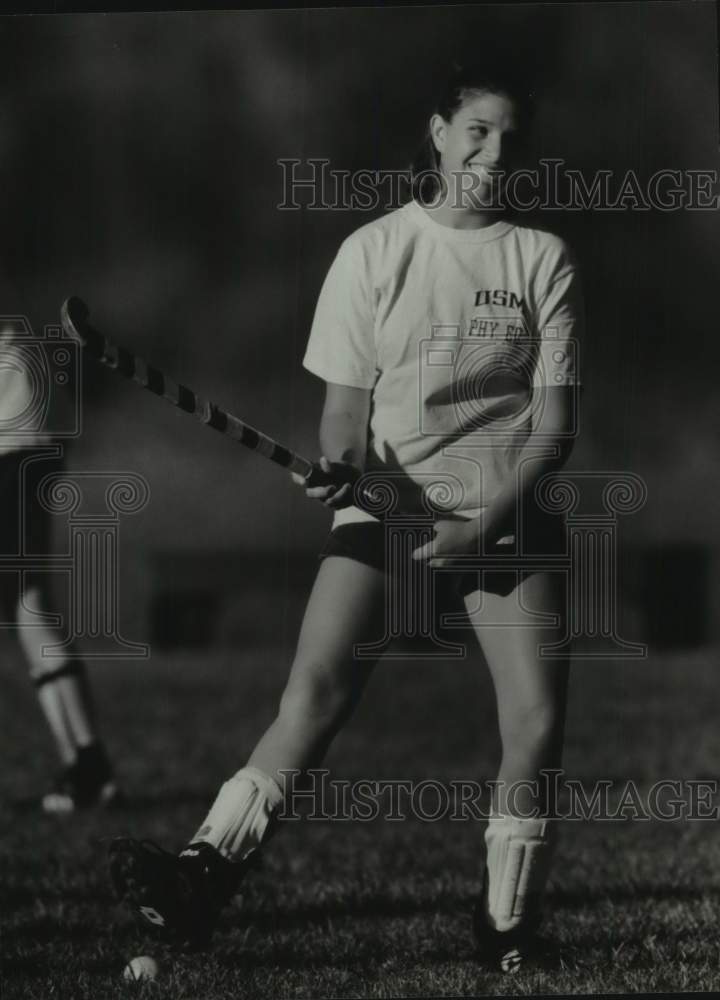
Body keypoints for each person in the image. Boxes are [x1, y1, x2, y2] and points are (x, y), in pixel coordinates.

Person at [108, 62, 583, 972]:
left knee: (532, 725)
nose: (494, 151)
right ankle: (201, 877)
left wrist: (481, 528)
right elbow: (343, 409)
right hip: (389, 511)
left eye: (510, 136)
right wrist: (343, 465)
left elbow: (553, 431)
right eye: (476, 129)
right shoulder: (372, 251)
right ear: (438, 132)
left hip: (508, 516)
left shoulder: (542, 258)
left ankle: (508, 930)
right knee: (314, 694)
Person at [0, 320, 118, 813]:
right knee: (24, 606)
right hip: (24, 433)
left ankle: (88, 764)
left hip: (15, 439)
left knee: (28, 603)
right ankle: (83, 766)